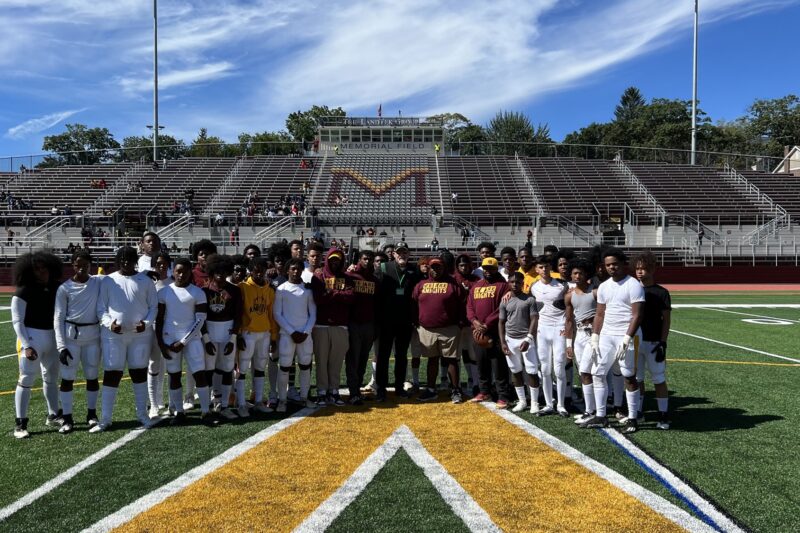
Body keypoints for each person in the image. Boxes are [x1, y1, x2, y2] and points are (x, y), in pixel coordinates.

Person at [92, 246, 158, 433]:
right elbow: (101, 308)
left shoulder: (145, 281)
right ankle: (106, 419)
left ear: (135, 261)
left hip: (140, 336)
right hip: (113, 336)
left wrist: (146, 324)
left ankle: (142, 415)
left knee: (139, 372)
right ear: (117, 261)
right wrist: (109, 324)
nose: (125, 262)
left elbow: (153, 307)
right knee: (112, 374)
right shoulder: (108, 280)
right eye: (122, 259)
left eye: (129, 259)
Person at [582, 248, 644, 433]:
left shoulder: (633, 284)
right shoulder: (604, 286)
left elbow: (637, 315)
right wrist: (595, 335)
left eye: (615, 264)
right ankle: (601, 415)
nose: (611, 267)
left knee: (629, 376)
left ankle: (632, 418)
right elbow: (600, 314)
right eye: (608, 265)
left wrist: (627, 337)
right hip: (607, 335)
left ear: (623, 264)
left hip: (627, 335)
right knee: (597, 373)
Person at [156, 258, 216, 426]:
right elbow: (159, 320)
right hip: (169, 339)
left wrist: (183, 341)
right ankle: (179, 412)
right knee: (174, 376)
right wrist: (161, 343)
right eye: (178, 271)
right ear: (173, 271)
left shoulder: (198, 293)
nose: (181, 275)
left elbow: (200, 320)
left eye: (184, 271)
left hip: (192, 339)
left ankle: (205, 411)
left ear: (190, 272)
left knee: (199, 375)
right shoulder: (164, 292)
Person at [12, 251, 64, 438]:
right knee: (26, 379)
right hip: (32, 337)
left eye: (44, 268)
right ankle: (20, 424)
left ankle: (53, 414)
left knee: (51, 378)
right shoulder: (23, 291)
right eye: (37, 269)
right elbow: (17, 321)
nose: (42, 272)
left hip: (52, 337)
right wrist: (26, 345)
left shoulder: (57, 287)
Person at [54, 250, 102, 434]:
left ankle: (92, 414)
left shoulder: (97, 282)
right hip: (71, 340)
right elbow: (58, 318)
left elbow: (121, 276)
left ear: (90, 265)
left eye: (85, 265)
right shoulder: (64, 288)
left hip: (92, 338)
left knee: (92, 376)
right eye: (78, 265)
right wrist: (61, 346)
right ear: (72, 265)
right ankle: (67, 418)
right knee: (67, 378)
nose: (82, 268)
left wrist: (145, 273)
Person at [412, 257, 465, 402]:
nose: (436, 270)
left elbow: (462, 303)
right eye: (433, 267)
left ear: (444, 268)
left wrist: (459, 323)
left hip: (449, 328)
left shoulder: (453, 284)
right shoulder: (421, 284)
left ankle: (455, 390)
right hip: (427, 328)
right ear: (428, 268)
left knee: (451, 360)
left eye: (439, 267)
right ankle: (431, 389)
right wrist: (416, 321)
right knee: (432, 359)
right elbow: (413, 302)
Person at [310, 248, 354, 406]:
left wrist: (332, 293)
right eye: (332, 259)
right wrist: (338, 295)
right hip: (321, 325)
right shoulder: (319, 276)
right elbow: (318, 299)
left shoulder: (347, 278)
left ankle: (334, 391)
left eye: (338, 260)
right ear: (327, 259)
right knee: (321, 361)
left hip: (340, 326)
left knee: (336, 361)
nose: (335, 262)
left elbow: (350, 297)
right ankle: (322, 391)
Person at [201, 254, 242, 420]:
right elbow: (201, 317)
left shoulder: (235, 290)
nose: (220, 273)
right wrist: (206, 339)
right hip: (210, 332)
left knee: (227, 369)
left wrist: (233, 339)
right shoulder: (204, 290)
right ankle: (209, 405)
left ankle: (224, 405)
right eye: (217, 270)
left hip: (227, 332)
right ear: (211, 271)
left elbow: (238, 316)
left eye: (224, 270)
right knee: (209, 369)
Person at [633, 252, 671, 430]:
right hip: (635, 341)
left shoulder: (661, 292)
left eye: (643, 268)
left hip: (654, 342)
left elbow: (666, 320)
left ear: (652, 269)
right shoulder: (633, 289)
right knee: (637, 378)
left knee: (658, 379)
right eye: (637, 268)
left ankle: (663, 414)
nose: (640, 272)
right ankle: (638, 411)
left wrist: (663, 342)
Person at [467, 257, 512, 408]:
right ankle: (484, 391)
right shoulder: (476, 286)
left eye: (491, 268)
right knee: (481, 363)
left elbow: (502, 308)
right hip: (478, 331)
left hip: (496, 331)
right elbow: (469, 307)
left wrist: (487, 323)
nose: (488, 271)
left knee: (498, 365)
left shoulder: (503, 286)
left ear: (496, 269)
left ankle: (503, 395)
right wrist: (474, 321)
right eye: (485, 268)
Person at [376, 242, 418, 401]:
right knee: (383, 356)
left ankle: (399, 387)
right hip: (386, 320)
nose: (402, 255)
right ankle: (381, 388)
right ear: (393, 254)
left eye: (405, 252)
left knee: (401, 356)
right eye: (399, 252)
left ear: (409, 254)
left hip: (405, 321)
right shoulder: (384, 267)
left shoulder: (414, 269)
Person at [236, 257, 279, 416]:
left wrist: (273, 337)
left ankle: (259, 401)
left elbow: (271, 315)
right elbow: (238, 313)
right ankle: (241, 403)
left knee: (260, 367)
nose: (259, 273)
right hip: (248, 332)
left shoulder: (269, 290)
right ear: (251, 271)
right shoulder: (243, 287)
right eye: (256, 271)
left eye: (262, 270)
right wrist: (239, 334)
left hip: (265, 333)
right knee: (242, 368)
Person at [274, 258, 317, 410]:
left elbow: (313, 313)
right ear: (287, 271)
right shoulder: (281, 289)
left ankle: (304, 398)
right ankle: (282, 400)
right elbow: (277, 314)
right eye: (292, 268)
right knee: (285, 367)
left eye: (298, 269)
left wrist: (306, 331)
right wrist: (292, 332)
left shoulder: (307, 290)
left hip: (305, 335)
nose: (295, 271)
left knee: (305, 366)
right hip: (287, 335)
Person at [530, 254, 569, 417]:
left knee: (559, 368)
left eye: (546, 266)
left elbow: (570, 305)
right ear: (536, 269)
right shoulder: (533, 286)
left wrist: (567, 327)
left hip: (559, 328)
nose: (544, 269)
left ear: (550, 267)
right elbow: (528, 303)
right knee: (545, 368)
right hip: (542, 329)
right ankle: (548, 404)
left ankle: (561, 405)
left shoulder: (562, 285)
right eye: (540, 267)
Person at [499, 271, 539, 413]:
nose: (515, 284)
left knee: (532, 371)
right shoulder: (505, 300)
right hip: (510, 339)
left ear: (523, 283)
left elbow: (534, 319)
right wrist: (503, 342)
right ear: (508, 283)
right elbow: (501, 322)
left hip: (526, 339)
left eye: (518, 282)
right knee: (515, 371)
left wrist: (528, 338)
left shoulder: (530, 299)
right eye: (512, 282)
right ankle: (522, 401)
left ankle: (534, 402)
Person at [564, 258, 598, 425]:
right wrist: (568, 344)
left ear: (587, 274)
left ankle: (592, 411)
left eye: (581, 273)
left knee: (588, 372)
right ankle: (590, 409)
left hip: (594, 335)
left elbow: (604, 313)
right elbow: (569, 321)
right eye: (575, 273)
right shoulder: (569, 296)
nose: (577, 276)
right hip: (579, 337)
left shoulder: (595, 292)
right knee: (583, 373)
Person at [346, 250, 379, 405]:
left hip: (369, 324)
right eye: (365, 258)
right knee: (353, 358)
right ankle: (353, 392)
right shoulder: (350, 276)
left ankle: (357, 389)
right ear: (359, 259)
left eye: (370, 259)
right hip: (353, 323)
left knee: (363, 358)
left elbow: (377, 304)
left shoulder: (374, 279)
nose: (367, 261)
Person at [147, 252, 173, 416]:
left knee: (171, 366)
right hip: (152, 328)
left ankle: (171, 402)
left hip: (170, 328)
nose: (161, 266)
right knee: (153, 364)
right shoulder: (148, 283)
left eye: (164, 263)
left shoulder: (173, 282)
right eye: (158, 263)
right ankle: (154, 404)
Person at [453, 254, 480, 394]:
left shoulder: (477, 280)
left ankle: (474, 382)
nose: (464, 268)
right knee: (456, 354)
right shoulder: (453, 279)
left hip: (471, 322)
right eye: (461, 265)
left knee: (472, 353)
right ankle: (456, 384)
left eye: (466, 265)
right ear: (457, 266)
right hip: (456, 322)